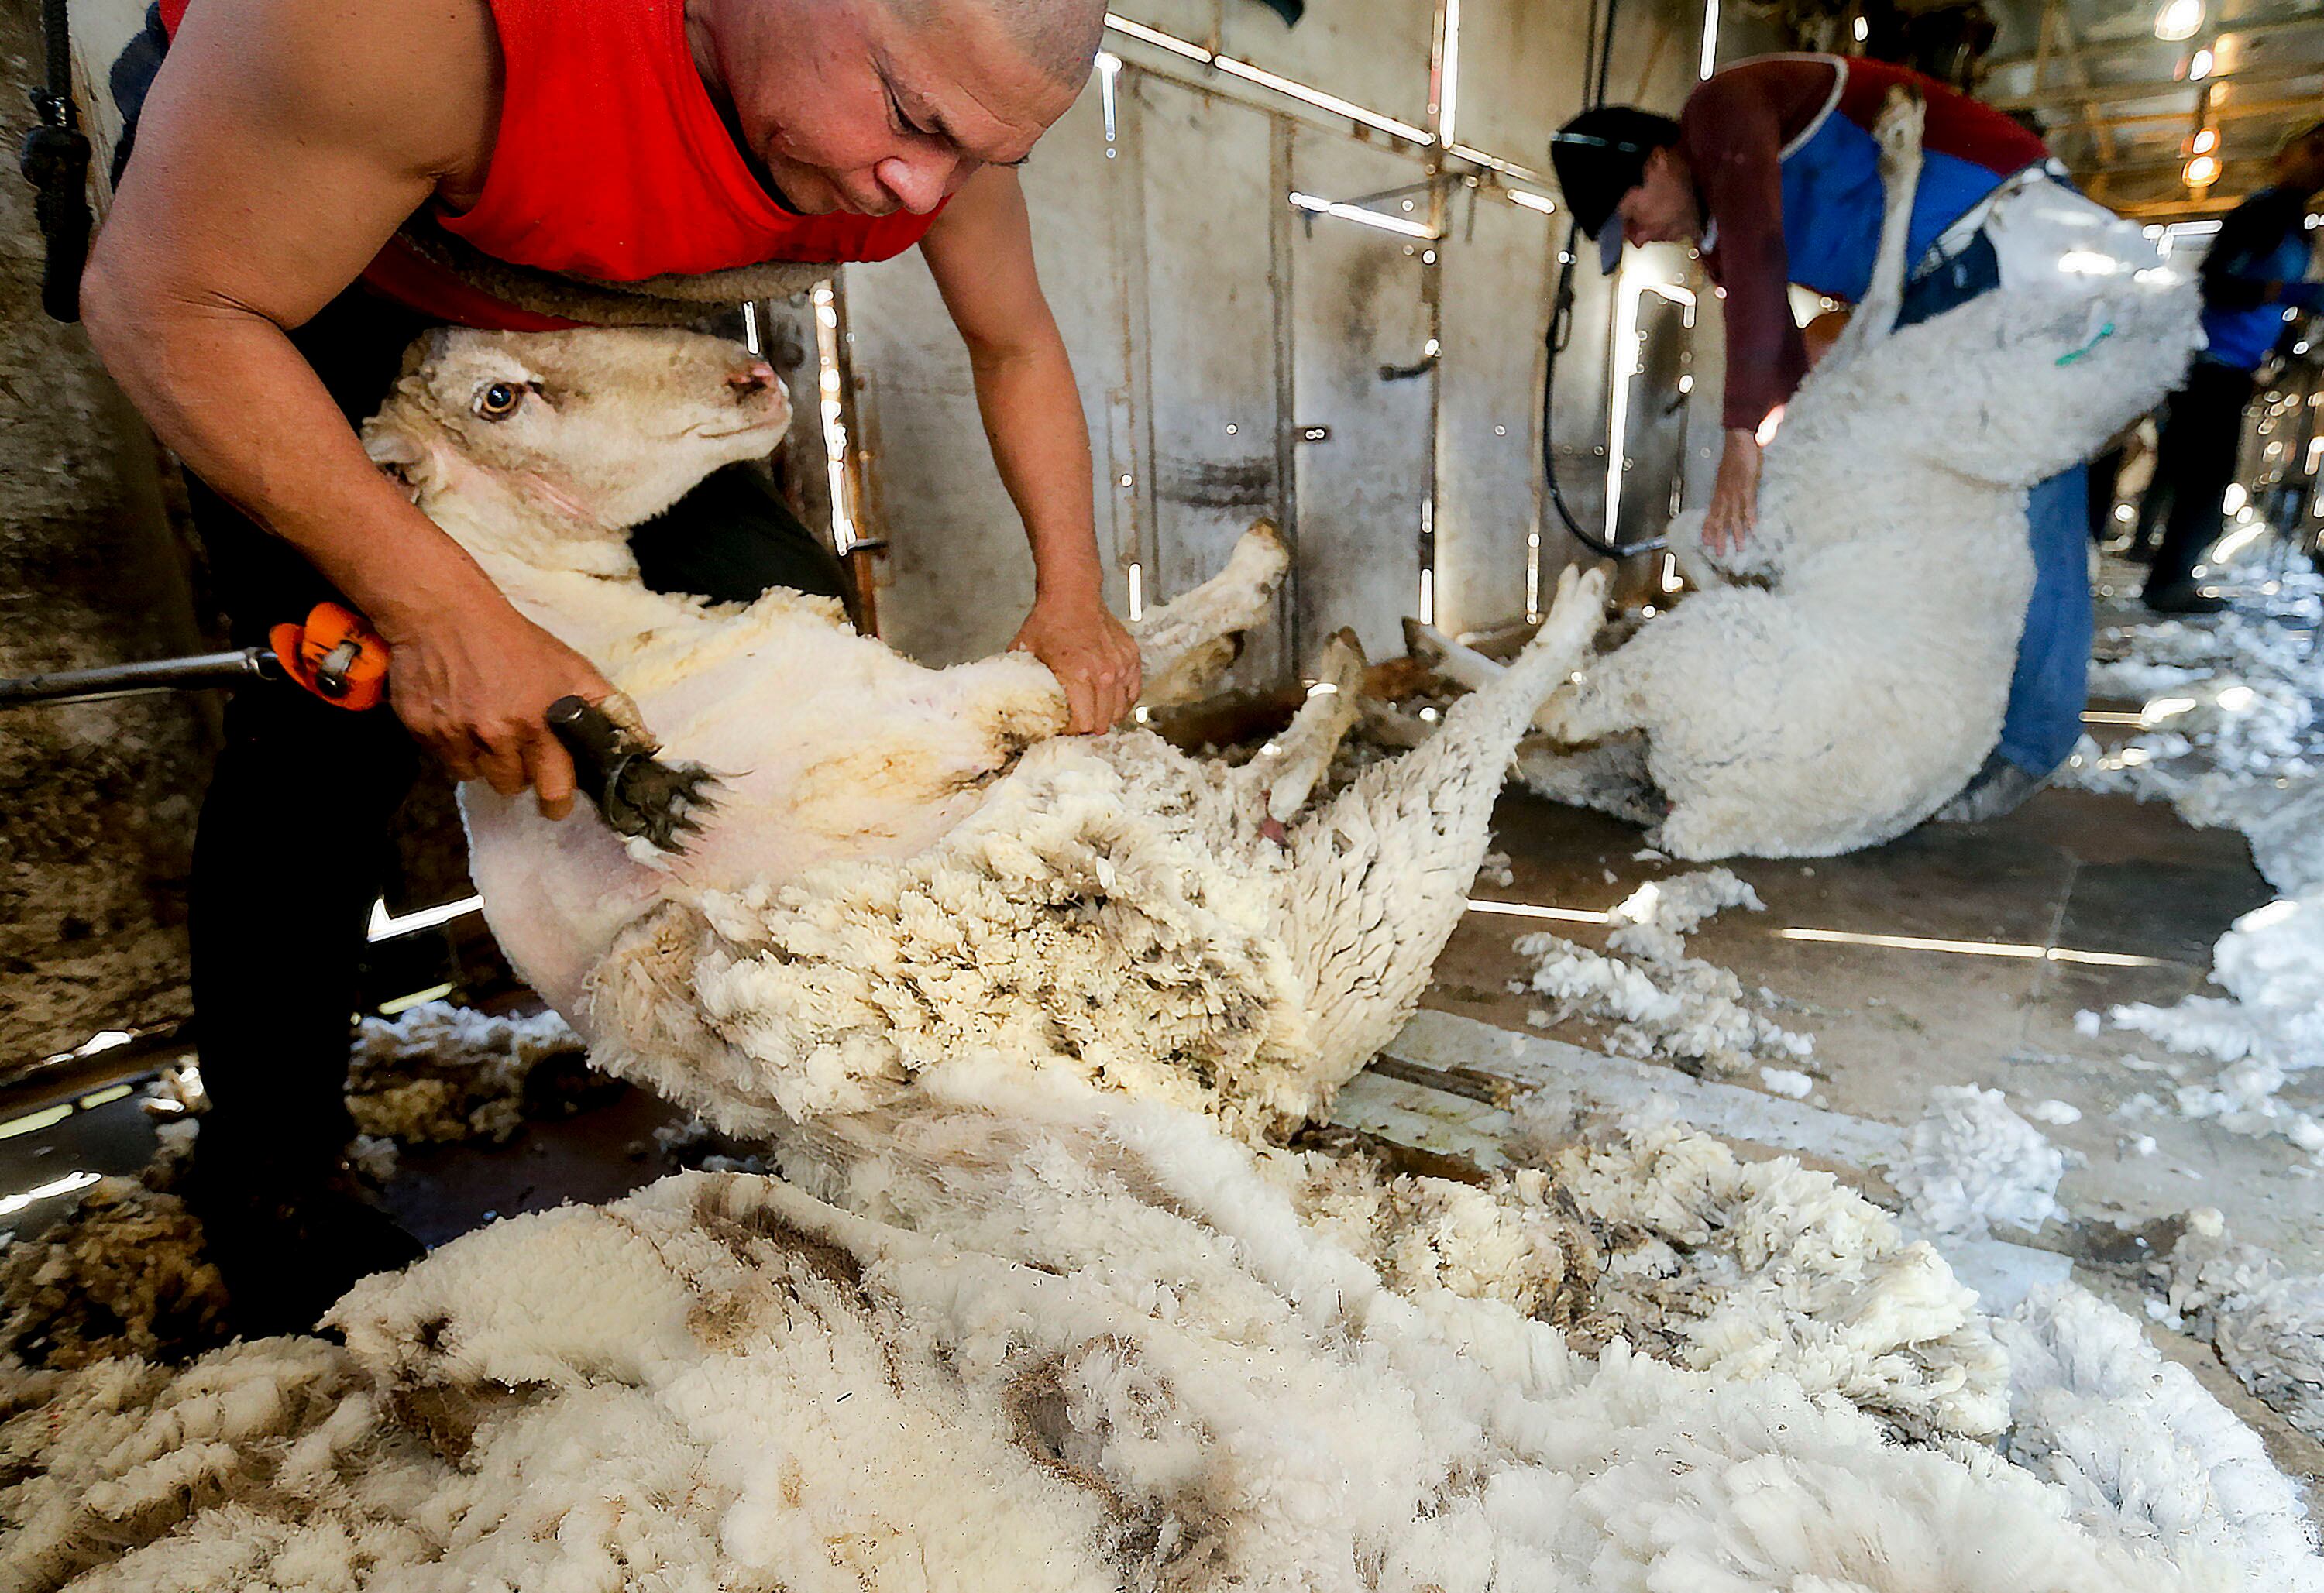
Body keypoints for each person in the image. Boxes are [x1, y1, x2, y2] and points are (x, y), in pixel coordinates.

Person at [81, 0, 1132, 1326]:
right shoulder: (406, 27)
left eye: (984, 157)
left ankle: (769, 1057)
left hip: (577, 308)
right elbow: (163, 303)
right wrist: (443, 610)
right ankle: (271, 1168)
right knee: (326, 727)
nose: (925, 187)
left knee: (784, 610)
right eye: (913, 122)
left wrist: (1077, 596)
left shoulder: (938, 127)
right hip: (297, 260)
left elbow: (1016, 338)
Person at [1552, 53, 2092, 822]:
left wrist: (1743, 437)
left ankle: (2033, 740)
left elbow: (1761, 250)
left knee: (2026, 483)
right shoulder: (1714, 234)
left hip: (1996, 234)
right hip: (1927, 282)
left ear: (1658, 157)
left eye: (1628, 213)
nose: (1636, 239)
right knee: (1935, 500)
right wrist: (1768, 464)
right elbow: (1776, 350)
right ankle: (1946, 716)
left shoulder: (1722, 108)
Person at [2140, 121, 2324, 614]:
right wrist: (2284, 295)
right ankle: (2167, 581)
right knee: (2204, 477)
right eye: (2315, 149)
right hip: (2209, 360)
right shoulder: (2261, 214)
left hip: (2236, 362)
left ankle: (2167, 572)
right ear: (2286, 155)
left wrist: (2286, 331)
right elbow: (2215, 284)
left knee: (2194, 472)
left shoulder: (2295, 226)